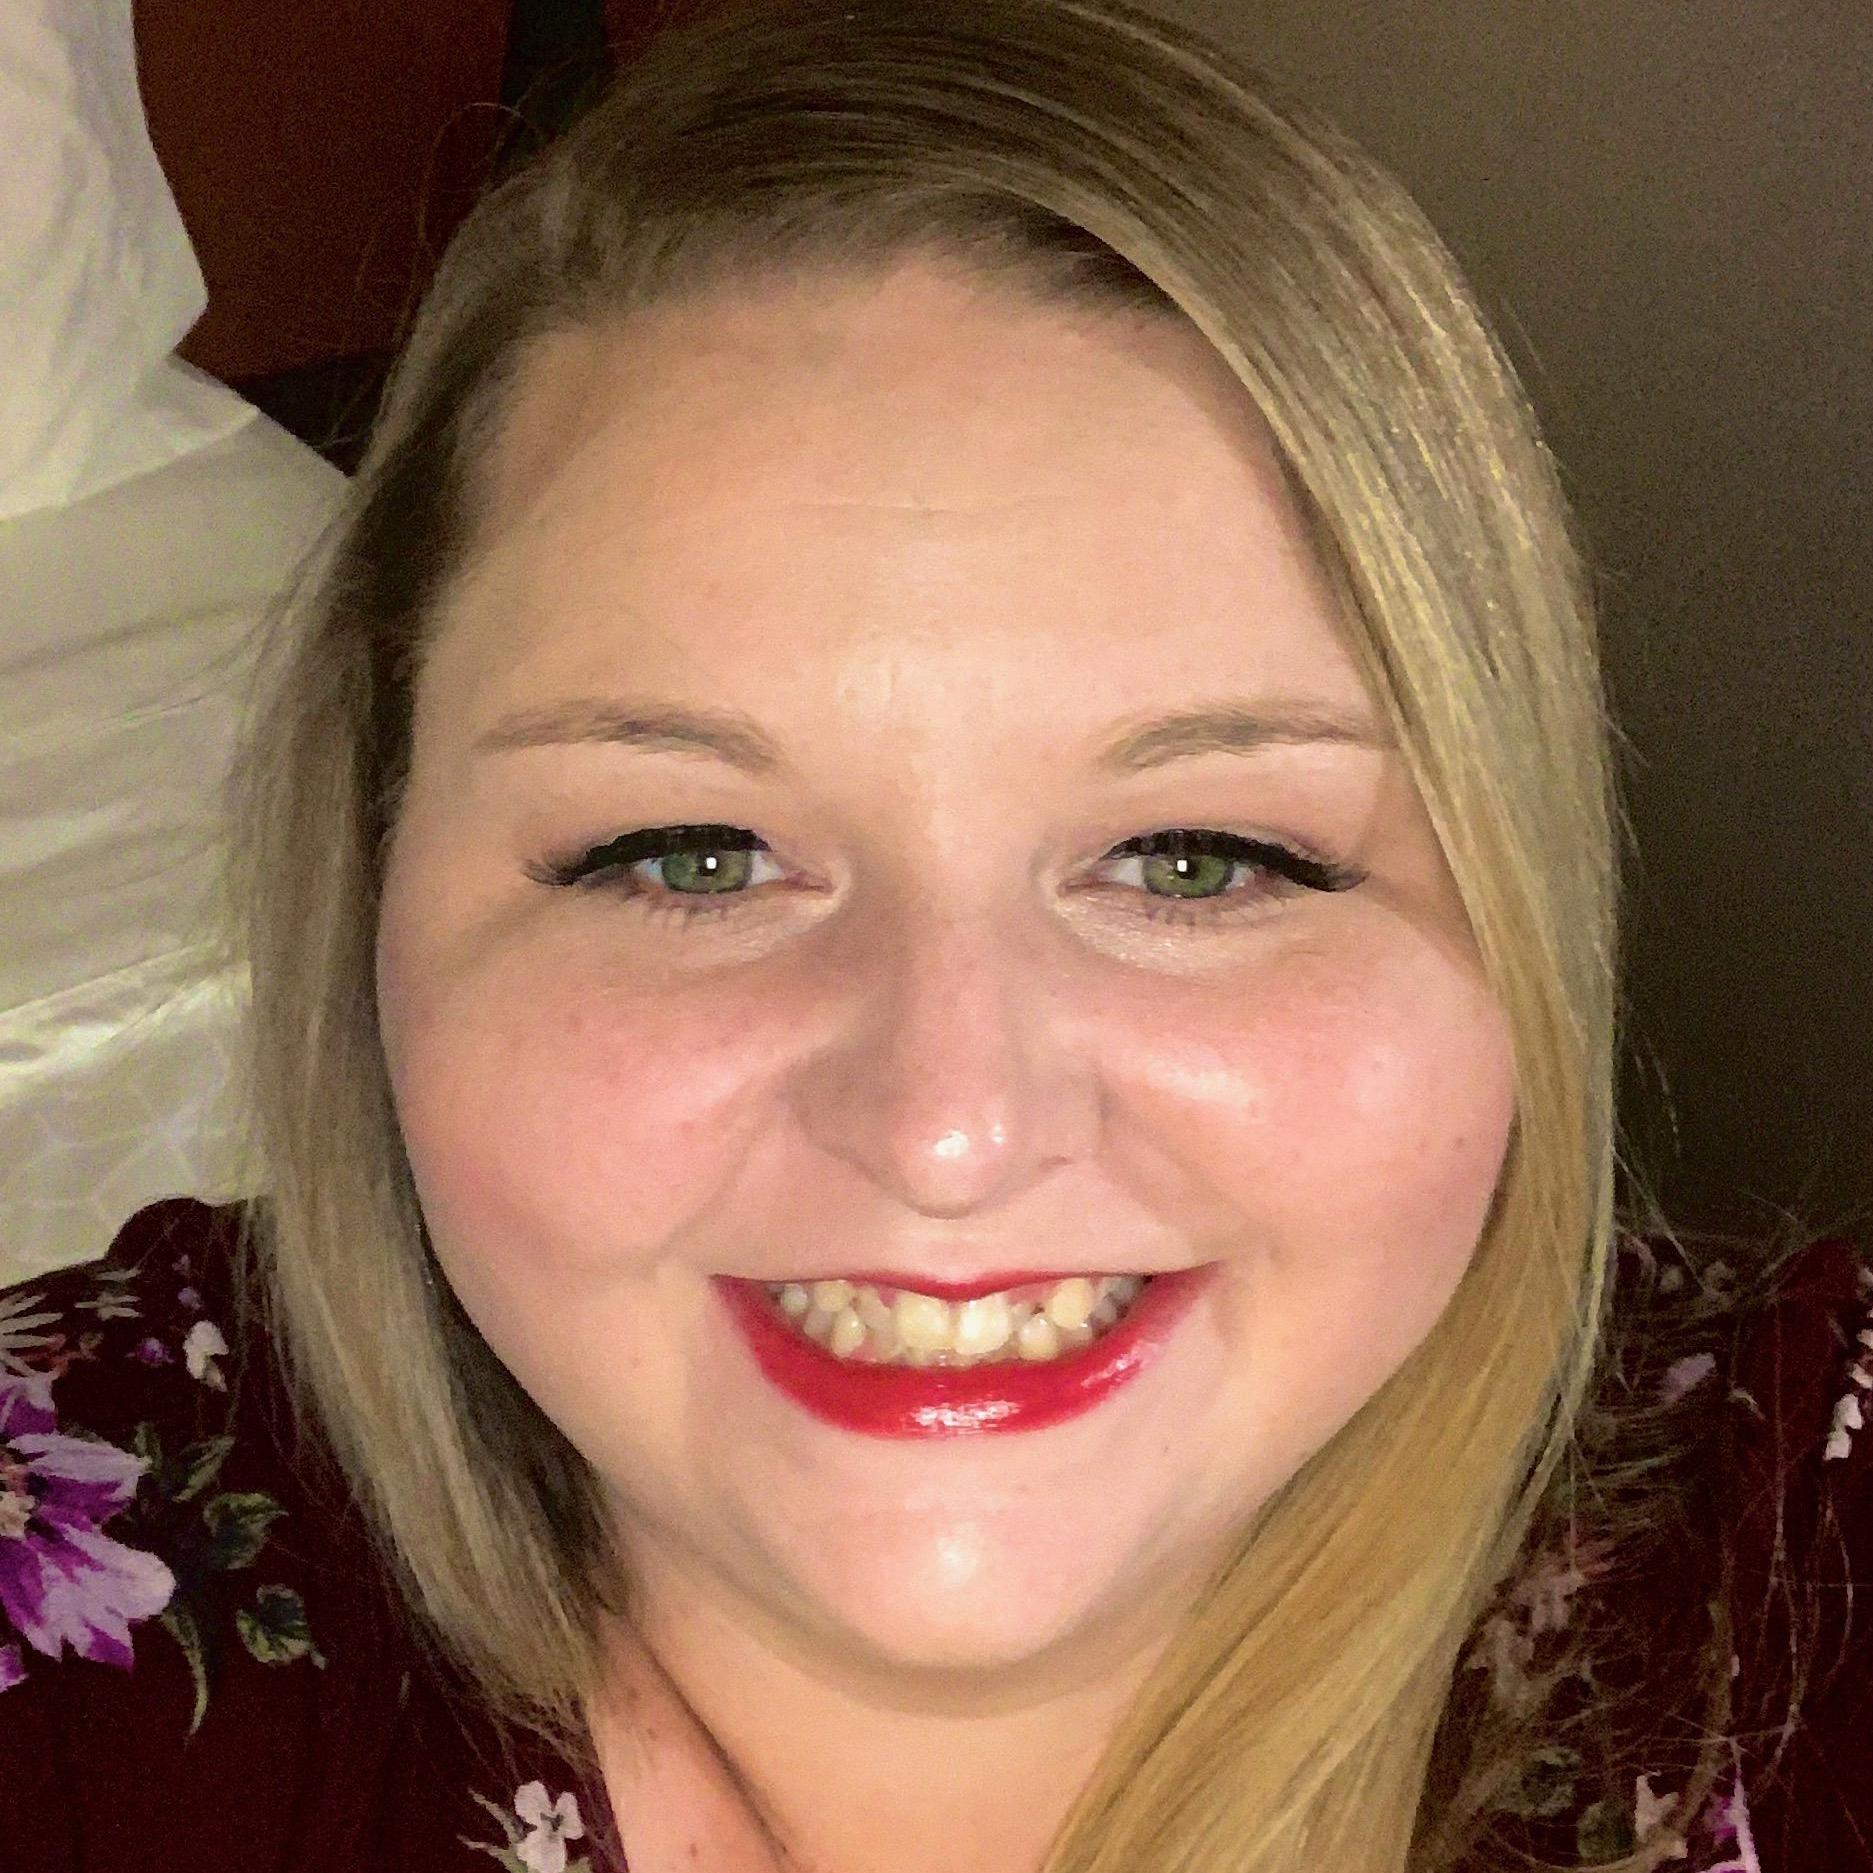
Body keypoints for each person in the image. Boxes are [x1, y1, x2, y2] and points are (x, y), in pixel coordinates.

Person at [1, 2, 1867, 1868]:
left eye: (1199, 858)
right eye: (692, 856)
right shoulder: (83, 1544)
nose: (948, 1128)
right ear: (374, 881)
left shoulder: (1805, 1558)